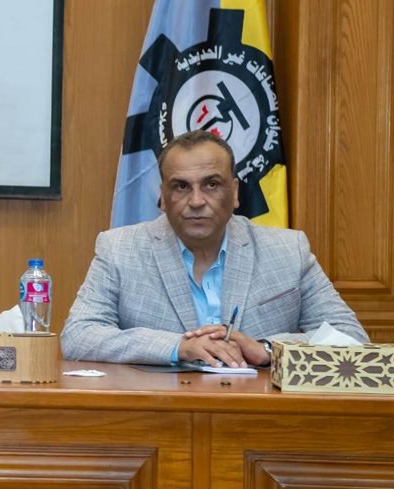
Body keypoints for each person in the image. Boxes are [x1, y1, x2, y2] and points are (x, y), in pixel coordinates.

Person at [62, 130, 366, 366]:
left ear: (234, 192)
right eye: (181, 186)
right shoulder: (119, 249)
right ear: (163, 197)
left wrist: (266, 348)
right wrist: (178, 347)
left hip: (260, 414)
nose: (196, 201)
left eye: (211, 184)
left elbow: (351, 338)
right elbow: (78, 335)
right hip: (160, 413)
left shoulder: (288, 250)